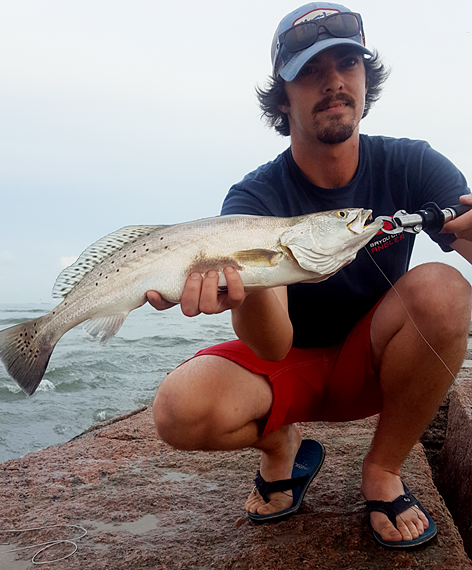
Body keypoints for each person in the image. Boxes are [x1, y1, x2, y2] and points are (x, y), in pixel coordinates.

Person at [148, 2, 472, 548]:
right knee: (179, 411)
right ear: (282, 95)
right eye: (310, 72)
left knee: (444, 288)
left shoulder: (414, 165)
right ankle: (285, 448)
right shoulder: (253, 200)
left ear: (368, 79)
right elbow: (273, 346)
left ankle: (384, 470)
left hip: (369, 363)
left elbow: (463, 246)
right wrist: (242, 287)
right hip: (286, 366)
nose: (335, 82)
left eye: (349, 64)